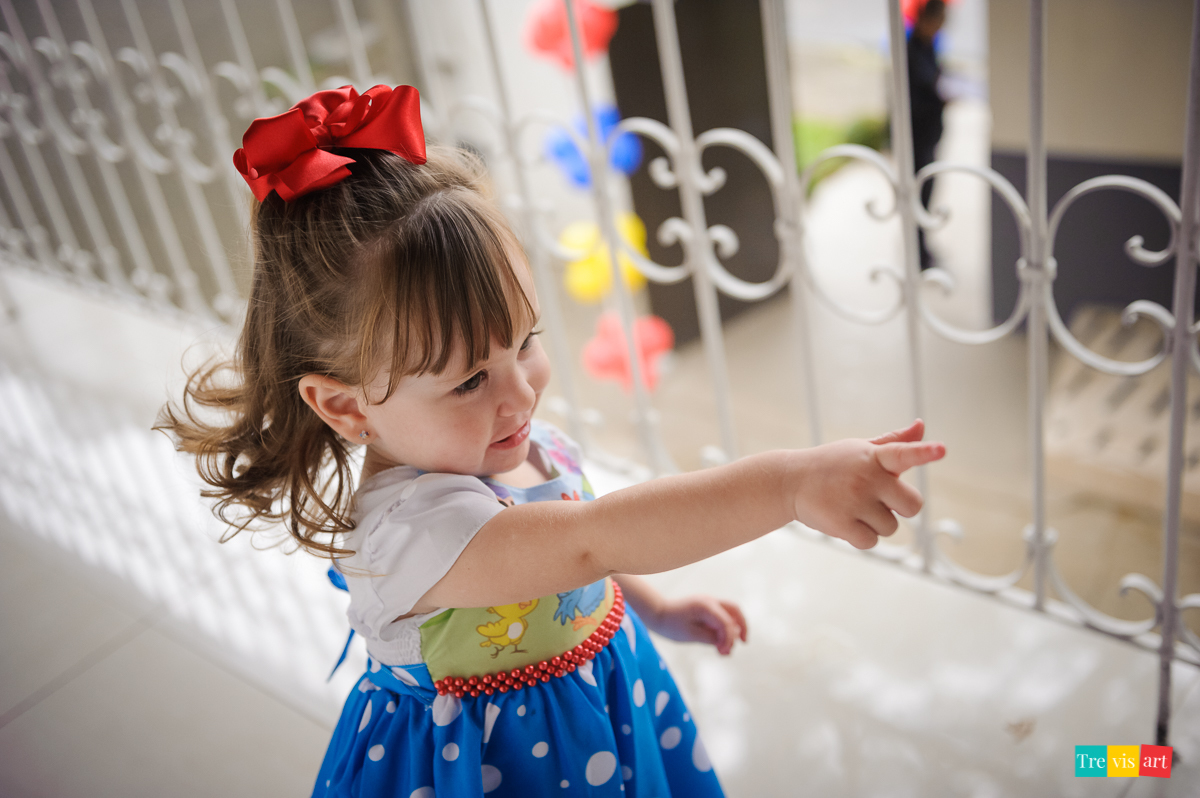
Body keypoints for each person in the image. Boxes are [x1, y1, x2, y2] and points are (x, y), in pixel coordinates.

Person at [159, 84, 945, 797]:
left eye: (525, 342)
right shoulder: (414, 535)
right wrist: (787, 485)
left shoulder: (515, 441)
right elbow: (591, 539)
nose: (521, 391)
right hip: (495, 766)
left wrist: (655, 611)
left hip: (604, 697)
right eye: (470, 379)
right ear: (345, 405)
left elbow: (584, 557)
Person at [908, 0, 947, 269]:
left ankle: (921, 249)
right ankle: (917, 254)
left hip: (929, 135)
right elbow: (921, 92)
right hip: (916, 137)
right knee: (917, 193)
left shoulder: (929, 46)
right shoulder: (911, 51)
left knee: (927, 192)